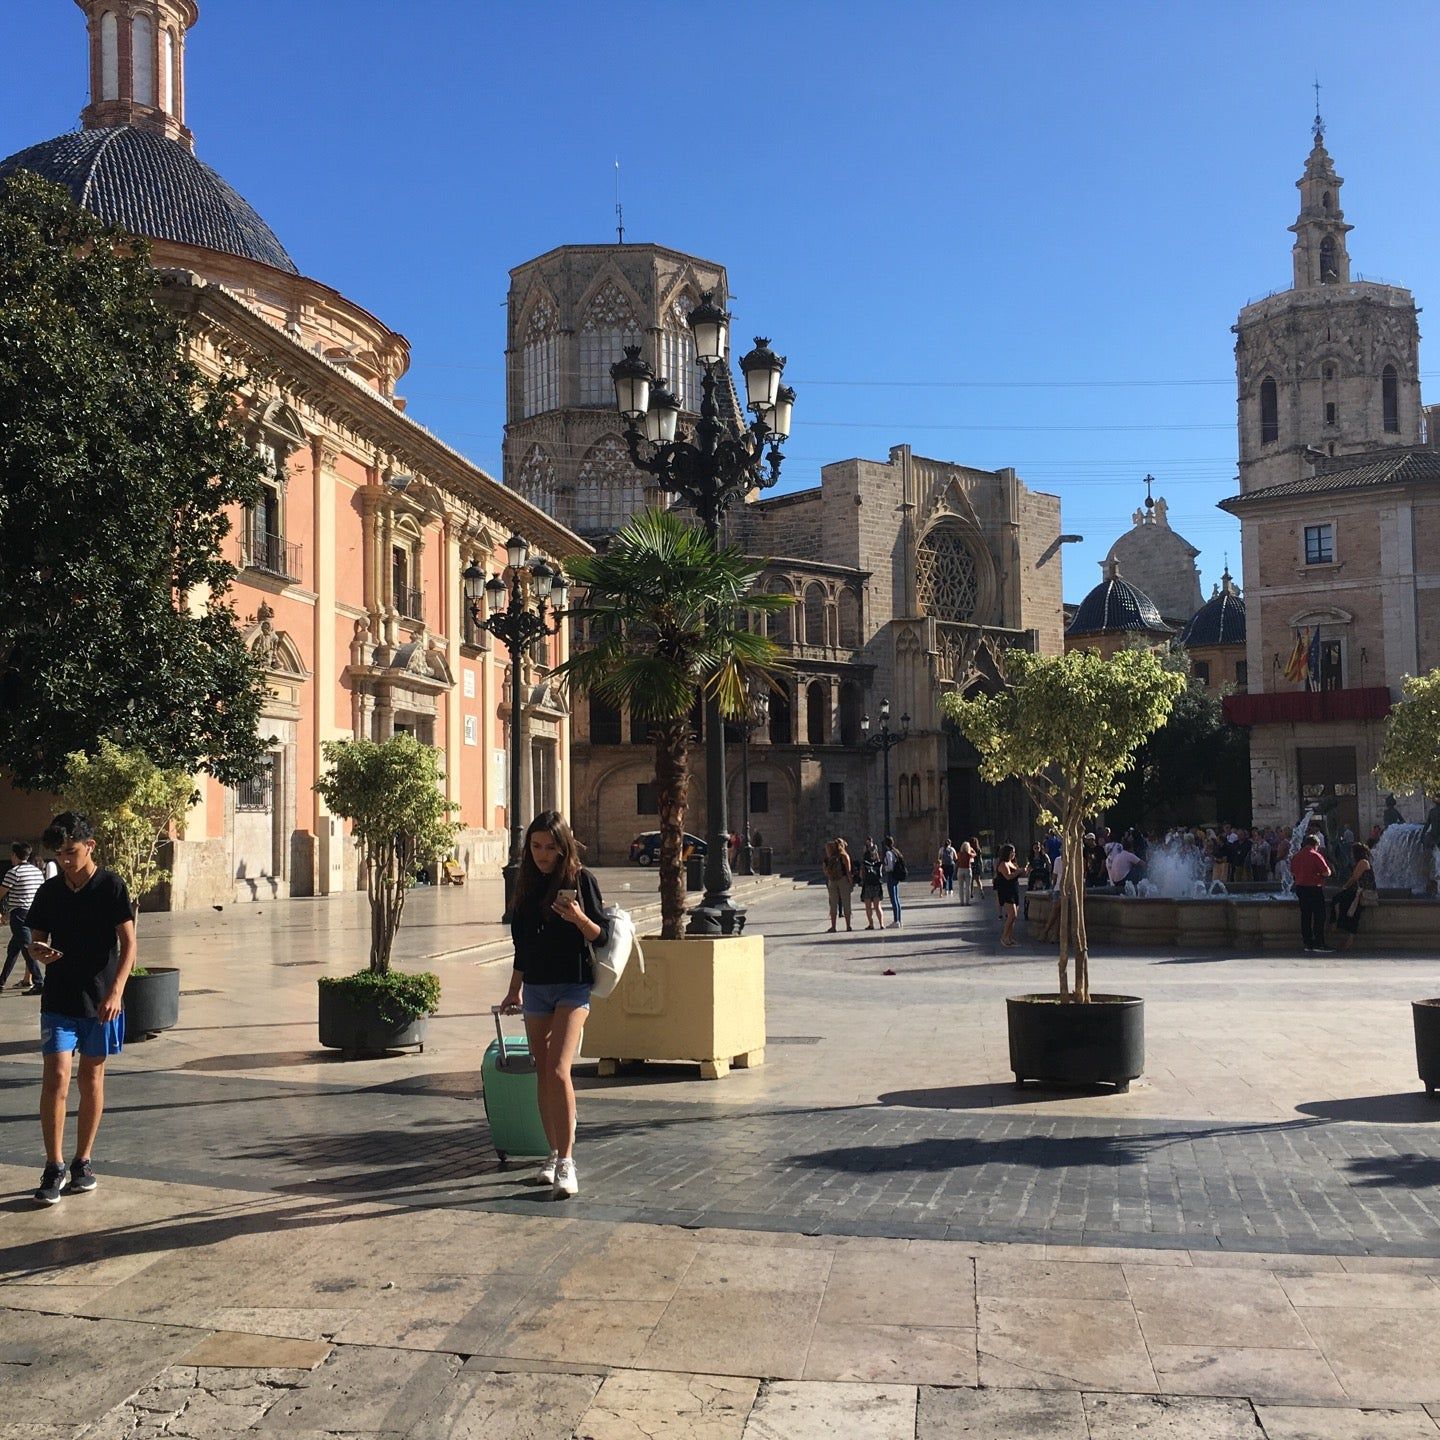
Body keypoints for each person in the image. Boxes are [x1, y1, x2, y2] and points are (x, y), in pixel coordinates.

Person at [26, 812, 137, 1205]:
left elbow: (129, 945)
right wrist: (38, 952)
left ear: (90, 846)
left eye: (72, 852)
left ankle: (82, 1161)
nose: (67, 861)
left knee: (91, 1078)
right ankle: (53, 1166)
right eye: (60, 855)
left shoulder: (111, 886)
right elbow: (35, 940)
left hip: (101, 1000)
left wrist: (117, 991)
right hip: (59, 998)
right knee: (56, 1075)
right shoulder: (50, 891)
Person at [498, 811, 608, 1199]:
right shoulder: (525, 886)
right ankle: (551, 1153)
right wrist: (515, 991)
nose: (543, 854)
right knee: (542, 1073)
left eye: (550, 846)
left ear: (564, 846)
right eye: (536, 846)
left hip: (572, 987)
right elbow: (522, 949)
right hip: (538, 989)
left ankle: (567, 1161)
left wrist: (579, 917)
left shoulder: (581, 881)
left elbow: (601, 934)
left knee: (560, 1069)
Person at [0, 842, 46, 993]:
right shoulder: (37, 872)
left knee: (27, 949)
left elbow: (1, 892)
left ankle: (39, 982)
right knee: (14, 949)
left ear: (14, 855)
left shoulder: (14, 872)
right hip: (34, 913)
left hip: (19, 915)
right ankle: (1, 981)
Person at [1289, 833, 1332, 954]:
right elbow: (1326, 872)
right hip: (1314, 888)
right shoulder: (1315, 855)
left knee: (1305, 916)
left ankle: (1307, 942)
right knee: (1319, 916)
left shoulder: (1297, 856)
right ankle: (1319, 942)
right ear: (1315, 845)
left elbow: (1293, 872)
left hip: (1300, 888)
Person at [1330, 842, 1376, 951]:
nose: (1350, 854)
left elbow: (1354, 877)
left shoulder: (1363, 862)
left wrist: (1344, 887)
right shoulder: (1361, 862)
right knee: (1350, 908)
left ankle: (1335, 923)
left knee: (1339, 899)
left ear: (1357, 853)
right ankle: (1343, 929)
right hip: (1359, 891)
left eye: (1352, 852)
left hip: (1365, 892)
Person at [994, 843, 1022, 947]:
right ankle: (1004, 937)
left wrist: (1022, 871)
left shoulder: (1012, 863)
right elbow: (1008, 876)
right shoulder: (1003, 864)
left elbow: (1016, 874)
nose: (1013, 854)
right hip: (1006, 891)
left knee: (1014, 917)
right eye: (1011, 852)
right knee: (1012, 915)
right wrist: (1018, 871)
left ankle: (1010, 937)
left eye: (1014, 852)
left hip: (1014, 890)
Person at [822, 839, 853, 932]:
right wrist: (851, 882)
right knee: (846, 902)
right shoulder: (844, 856)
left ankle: (833, 926)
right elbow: (848, 871)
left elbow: (825, 869)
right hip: (843, 879)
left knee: (833, 904)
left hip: (832, 880)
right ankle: (848, 926)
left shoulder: (830, 856)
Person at [859, 839, 886, 930]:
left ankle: (871, 924)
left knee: (868, 906)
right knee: (877, 906)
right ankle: (881, 924)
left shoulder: (864, 862)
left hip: (867, 884)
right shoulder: (878, 862)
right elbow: (881, 873)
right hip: (876, 884)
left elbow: (862, 874)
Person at [881, 835, 904, 926]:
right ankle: (899, 919)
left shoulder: (889, 853)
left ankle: (896, 920)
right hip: (896, 876)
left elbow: (890, 867)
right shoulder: (896, 851)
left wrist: (885, 868)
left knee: (893, 899)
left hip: (891, 876)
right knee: (897, 898)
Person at [957, 837, 978, 905]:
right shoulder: (969, 854)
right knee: (968, 887)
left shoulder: (959, 854)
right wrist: (972, 849)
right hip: (967, 869)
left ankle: (961, 902)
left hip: (960, 869)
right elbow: (975, 854)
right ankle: (967, 902)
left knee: (961, 887)